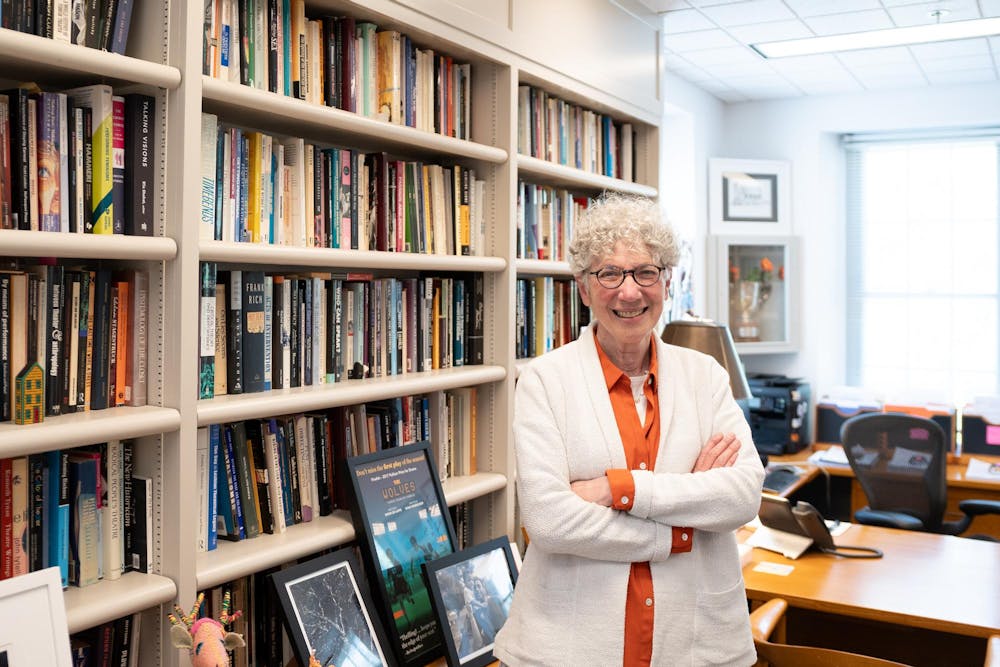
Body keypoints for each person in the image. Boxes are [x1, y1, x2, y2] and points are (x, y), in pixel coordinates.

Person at [492, 193, 765, 666]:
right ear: (583, 287)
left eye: (645, 272)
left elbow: (742, 496)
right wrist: (678, 531)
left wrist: (617, 489)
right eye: (609, 274)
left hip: (695, 643)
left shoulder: (706, 377)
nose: (629, 291)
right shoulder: (544, 380)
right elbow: (549, 521)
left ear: (667, 281)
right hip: (571, 647)